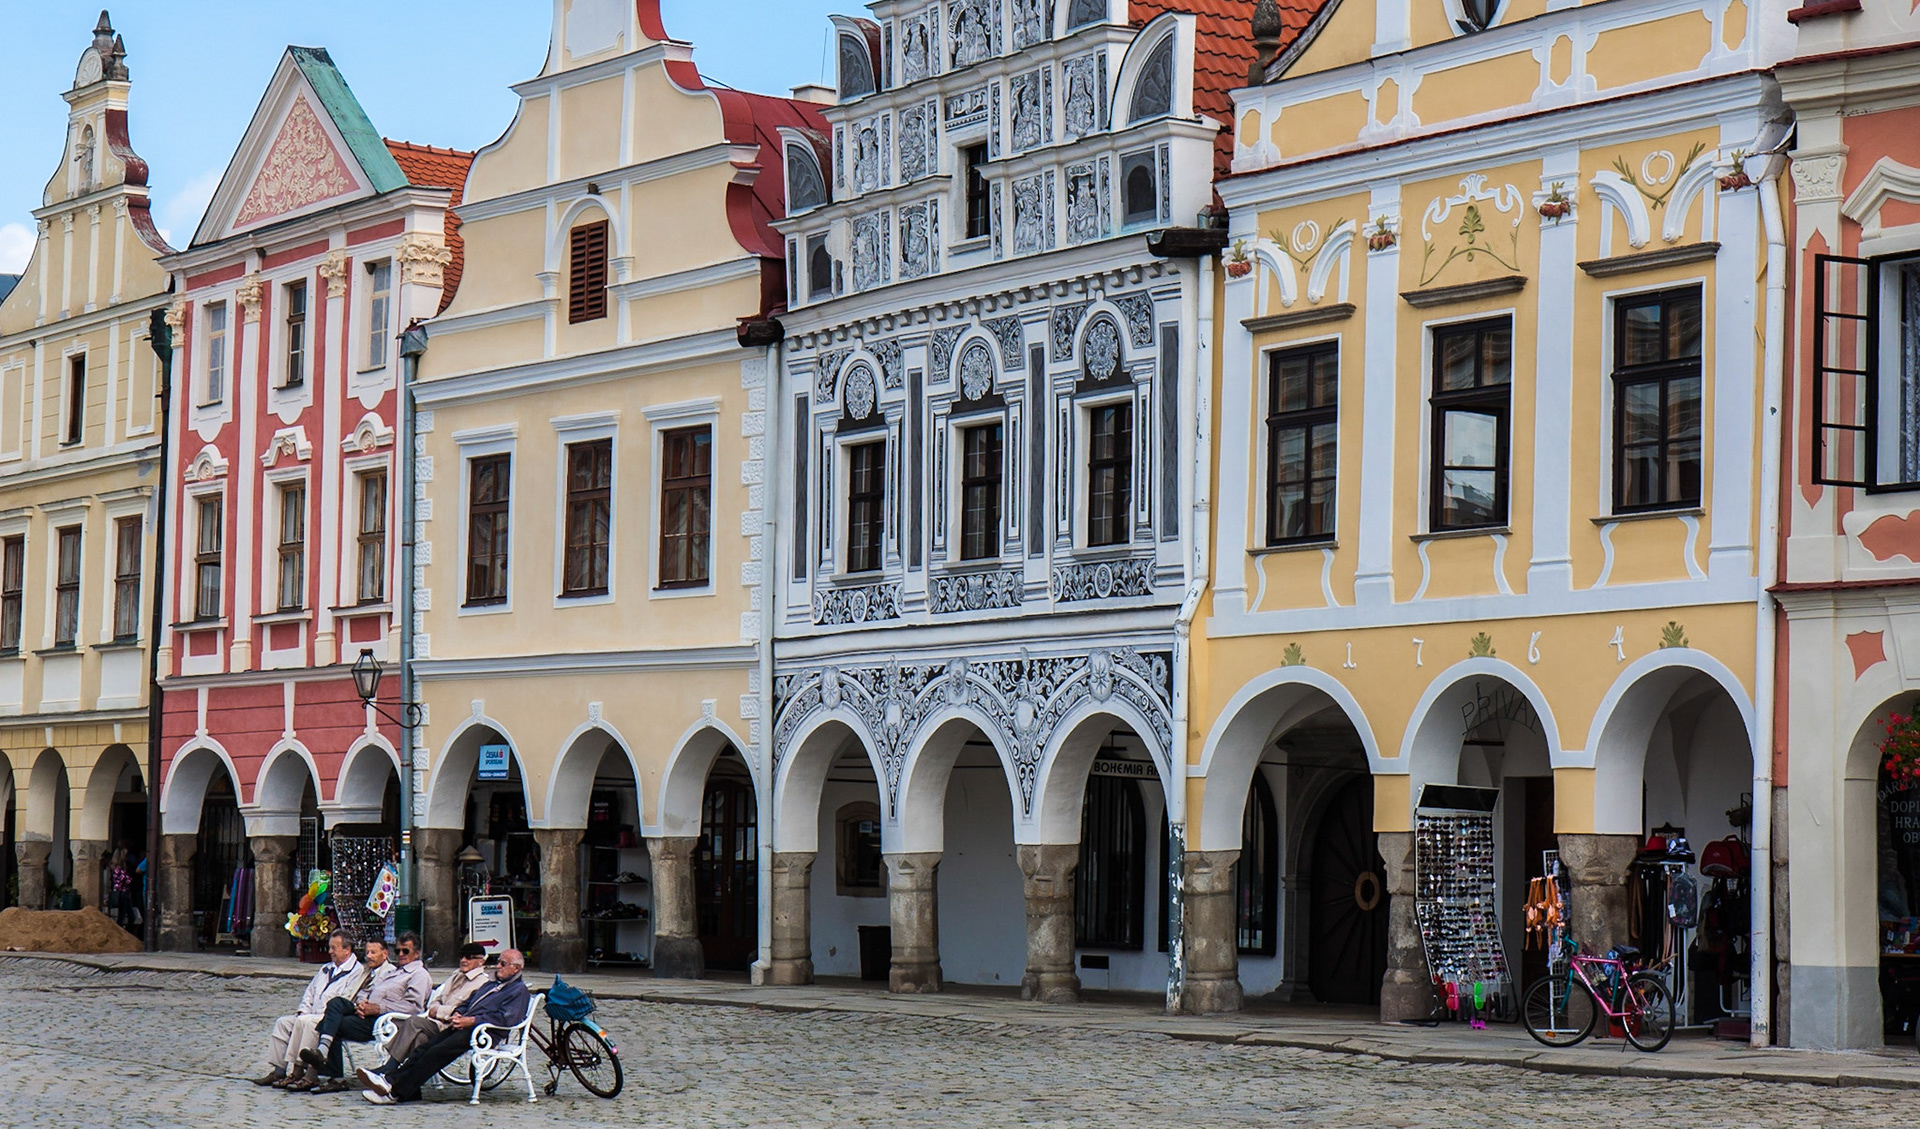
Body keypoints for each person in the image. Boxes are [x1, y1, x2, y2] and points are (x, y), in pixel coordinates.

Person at [356, 948, 531, 1105]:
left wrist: (472, 1020)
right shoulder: (493, 984)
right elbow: (469, 1002)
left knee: (436, 1053)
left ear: (516, 968)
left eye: (503, 963)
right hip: (465, 1025)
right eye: (498, 962)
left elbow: (506, 1019)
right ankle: (391, 1080)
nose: (498, 966)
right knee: (425, 1047)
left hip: (484, 1032)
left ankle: (395, 1091)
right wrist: (459, 1014)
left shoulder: (518, 990)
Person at [296, 933, 431, 1093]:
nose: (400, 955)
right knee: (335, 1005)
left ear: (416, 953)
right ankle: (325, 1055)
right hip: (368, 1014)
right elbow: (369, 989)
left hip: (387, 1022)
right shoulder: (396, 972)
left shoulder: (418, 975)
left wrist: (378, 1008)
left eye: (405, 951)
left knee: (332, 1023)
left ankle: (329, 1070)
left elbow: (414, 1007)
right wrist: (362, 1003)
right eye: (398, 950)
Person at [249, 931, 361, 1088]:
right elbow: (309, 993)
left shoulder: (356, 972)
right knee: (284, 1023)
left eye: (333, 948)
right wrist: (303, 1010)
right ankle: (279, 1070)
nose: (330, 952)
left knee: (306, 1023)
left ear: (347, 949)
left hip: (328, 1018)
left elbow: (346, 1001)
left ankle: (300, 1071)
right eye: (330, 947)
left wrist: (311, 1016)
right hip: (310, 1014)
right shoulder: (326, 969)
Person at [376, 943, 490, 1067]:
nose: (463, 960)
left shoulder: (482, 983)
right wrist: (435, 1008)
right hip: (434, 1022)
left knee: (413, 1022)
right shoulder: (456, 975)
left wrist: (439, 1011)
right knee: (420, 1038)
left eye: (469, 957)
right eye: (461, 956)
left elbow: (467, 1011)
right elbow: (439, 998)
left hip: (449, 1026)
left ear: (481, 961)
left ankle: (389, 1067)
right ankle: (408, 1081)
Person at [106, 847, 135, 931]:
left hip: (123, 893)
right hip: (123, 893)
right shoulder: (119, 870)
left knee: (129, 915)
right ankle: (119, 932)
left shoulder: (115, 869)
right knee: (123, 916)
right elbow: (127, 880)